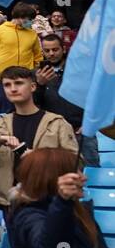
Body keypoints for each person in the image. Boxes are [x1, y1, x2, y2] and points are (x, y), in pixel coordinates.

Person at [0, 66, 79, 209]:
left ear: (33, 86)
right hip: (9, 202)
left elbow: (76, 161)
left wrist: (39, 158)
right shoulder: (2, 123)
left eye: (19, 83)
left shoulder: (57, 123)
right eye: (7, 85)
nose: (13, 89)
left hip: (48, 200)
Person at [36, 33, 98, 167]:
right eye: (47, 51)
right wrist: (40, 85)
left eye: (55, 49)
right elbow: (33, 105)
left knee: (90, 172)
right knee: (54, 176)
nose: (51, 54)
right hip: (52, 134)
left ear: (63, 49)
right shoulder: (36, 75)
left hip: (81, 132)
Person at [0, 3, 42, 112]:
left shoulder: (32, 34)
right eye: (30, 19)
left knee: (27, 109)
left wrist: (35, 70)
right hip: (4, 78)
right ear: (20, 17)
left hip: (25, 78)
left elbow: (38, 55)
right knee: (7, 111)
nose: (31, 22)